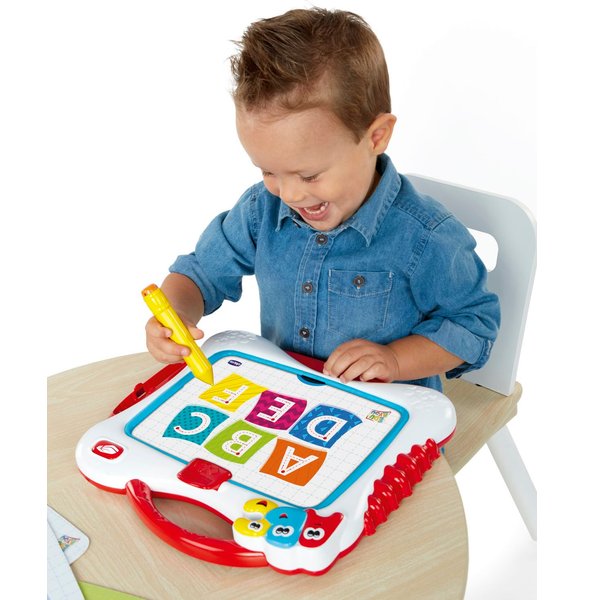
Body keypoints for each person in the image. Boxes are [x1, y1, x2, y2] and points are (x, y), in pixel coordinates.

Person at [145, 7, 500, 392]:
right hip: (288, 399)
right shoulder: (261, 210)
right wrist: (175, 315)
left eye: (309, 175)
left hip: (390, 411)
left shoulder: (426, 236)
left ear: (376, 137)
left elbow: (472, 325)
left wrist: (395, 359)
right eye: (268, 171)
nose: (289, 194)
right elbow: (200, 273)